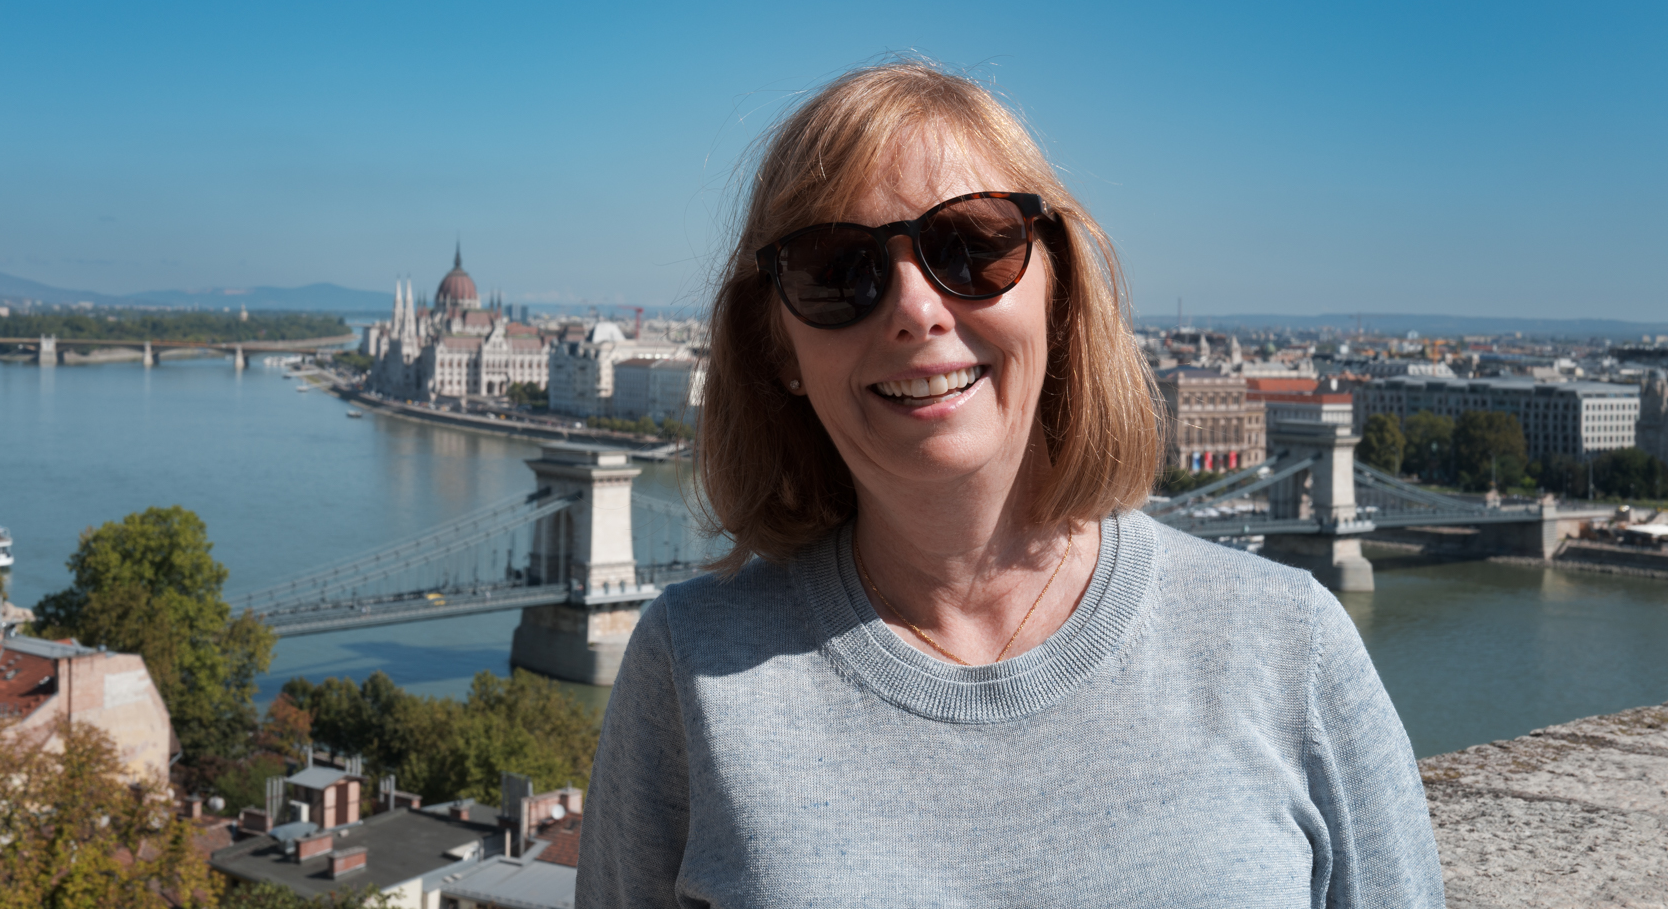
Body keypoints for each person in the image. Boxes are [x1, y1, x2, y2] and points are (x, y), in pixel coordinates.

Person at [578, 62, 1443, 907]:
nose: (917, 309)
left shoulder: (1289, 646)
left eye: (973, 248)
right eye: (839, 269)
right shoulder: (692, 668)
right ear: (778, 348)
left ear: (1059, 294)